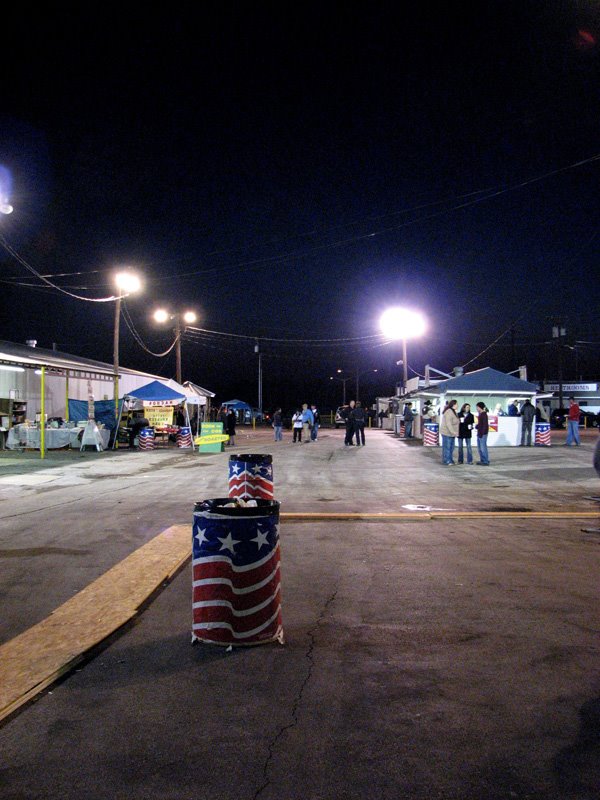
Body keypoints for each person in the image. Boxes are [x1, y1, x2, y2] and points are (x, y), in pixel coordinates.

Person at [440, 399, 459, 465]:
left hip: (452, 433)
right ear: (453, 405)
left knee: (451, 447)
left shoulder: (454, 412)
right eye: (457, 404)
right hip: (447, 433)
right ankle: (446, 461)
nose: (458, 405)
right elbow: (448, 424)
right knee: (447, 447)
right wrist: (453, 432)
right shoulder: (449, 412)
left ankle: (450, 460)